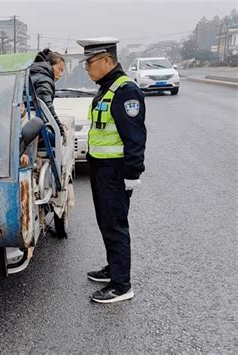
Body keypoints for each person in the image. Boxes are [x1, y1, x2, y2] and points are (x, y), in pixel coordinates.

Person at [77, 37, 147, 303]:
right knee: (106, 222)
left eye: (90, 63)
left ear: (106, 61)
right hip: (101, 169)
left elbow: (135, 137)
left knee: (116, 224)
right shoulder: (106, 88)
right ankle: (113, 269)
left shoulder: (125, 91)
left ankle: (121, 285)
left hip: (116, 171)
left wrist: (132, 174)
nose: (87, 69)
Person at [30, 48, 66, 137]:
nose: (60, 74)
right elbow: (46, 108)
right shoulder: (44, 80)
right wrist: (59, 130)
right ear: (49, 65)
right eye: (59, 69)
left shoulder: (34, 73)